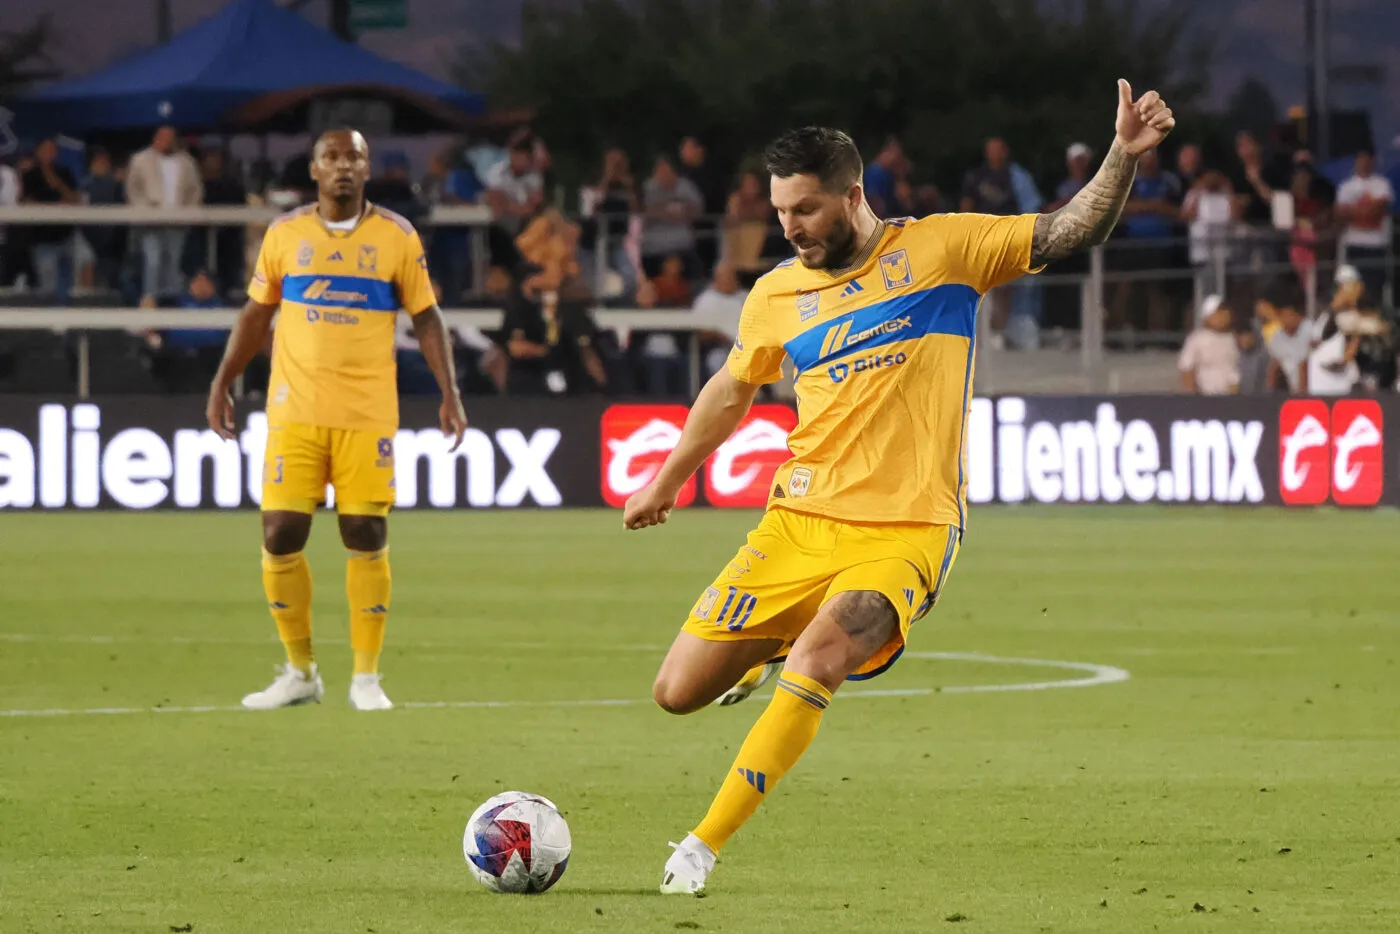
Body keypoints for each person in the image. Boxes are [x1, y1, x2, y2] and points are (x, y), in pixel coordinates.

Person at [623, 80, 1175, 894]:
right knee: (676, 693)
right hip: (796, 524)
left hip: (906, 528)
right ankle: (768, 646)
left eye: (806, 210)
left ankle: (700, 846)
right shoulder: (775, 294)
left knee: (823, 652)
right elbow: (732, 391)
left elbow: (1068, 230)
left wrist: (1122, 158)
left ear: (853, 195)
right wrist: (666, 479)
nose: (790, 228)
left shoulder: (945, 250)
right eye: (781, 212)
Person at [205, 128, 468, 712]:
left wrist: (449, 393)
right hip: (293, 411)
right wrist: (223, 380)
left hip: (366, 412)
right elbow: (256, 314)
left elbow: (427, 319)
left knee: (365, 533)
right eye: (332, 157)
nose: (343, 166)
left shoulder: (397, 237)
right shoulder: (285, 234)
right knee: (280, 531)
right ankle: (300, 671)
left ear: (367, 168)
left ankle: (366, 677)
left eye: (353, 157)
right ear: (315, 170)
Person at [1178, 294, 1238, 395]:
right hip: (1207, 399)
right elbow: (1186, 369)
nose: (1223, 315)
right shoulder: (1197, 338)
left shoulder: (1235, 338)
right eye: (1218, 312)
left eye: (1224, 311)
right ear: (1207, 316)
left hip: (1237, 399)